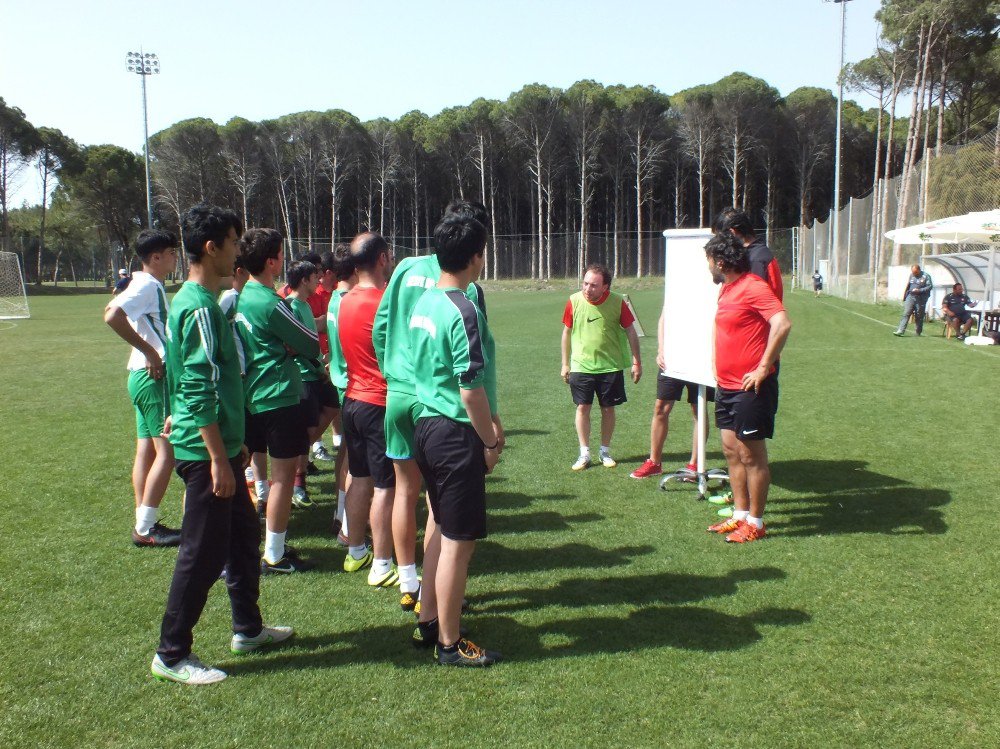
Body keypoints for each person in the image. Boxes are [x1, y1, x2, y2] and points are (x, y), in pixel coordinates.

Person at [151, 203, 292, 686]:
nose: (238, 253)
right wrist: (218, 459)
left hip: (223, 444)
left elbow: (182, 375)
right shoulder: (200, 307)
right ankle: (171, 655)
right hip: (206, 453)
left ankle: (247, 629)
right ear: (212, 248)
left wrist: (228, 444)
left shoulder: (197, 303)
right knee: (201, 553)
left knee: (242, 541)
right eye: (233, 243)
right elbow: (197, 385)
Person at [373, 199, 501, 616]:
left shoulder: (407, 269)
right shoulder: (463, 297)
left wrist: (393, 373)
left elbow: (381, 326)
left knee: (406, 491)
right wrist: (492, 433)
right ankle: (445, 619)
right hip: (447, 412)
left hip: (403, 394)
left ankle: (410, 583)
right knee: (449, 525)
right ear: (475, 249)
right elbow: (473, 376)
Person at [409, 212, 502, 666]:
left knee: (441, 529)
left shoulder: (423, 304)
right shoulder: (462, 308)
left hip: (424, 427)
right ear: (475, 257)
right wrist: (489, 440)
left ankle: (429, 621)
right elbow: (469, 389)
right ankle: (449, 643)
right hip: (452, 432)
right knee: (458, 545)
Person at [235, 228, 320, 574]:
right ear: (272, 261)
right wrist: (290, 345)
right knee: (283, 477)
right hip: (278, 396)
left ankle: (249, 544)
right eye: (282, 254)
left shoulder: (241, 296)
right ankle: (274, 554)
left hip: (251, 395)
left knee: (248, 468)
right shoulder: (271, 303)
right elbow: (311, 345)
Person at [704, 232, 791, 544]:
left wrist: (763, 367)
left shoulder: (754, 287)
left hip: (750, 388)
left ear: (721, 262)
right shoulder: (727, 289)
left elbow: (782, 324)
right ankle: (739, 516)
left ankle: (756, 521)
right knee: (731, 451)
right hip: (726, 386)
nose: (708, 267)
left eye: (709, 261)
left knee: (752, 456)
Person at [103, 230, 181, 547]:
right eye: (171, 252)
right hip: (153, 376)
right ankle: (146, 528)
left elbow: (111, 307)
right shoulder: (148, 284)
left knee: (146, 450)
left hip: (139, 376)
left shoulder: (144, 283)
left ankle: (143, 520)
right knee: (167, 452)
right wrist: (150, 351)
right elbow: (112, 315)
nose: (176, 258)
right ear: (156, 258)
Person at [338, 232, 398, 587]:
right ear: (383, 258)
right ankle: (382, 563)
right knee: (386, 486)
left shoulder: (344, 300)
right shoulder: (383, 303)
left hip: (353, 401)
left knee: (360, 478)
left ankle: (356, 550)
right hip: (378, 403)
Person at [561, 264, 642, 471]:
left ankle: (605, 451)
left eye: (594, 285)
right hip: (581, 365)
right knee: (582, 408)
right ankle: (584, 453)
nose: (587, 289)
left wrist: (636, 362)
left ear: (605, 286)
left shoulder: (618, 302)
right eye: (585, 283)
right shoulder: (573, 301)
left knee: (608, 408)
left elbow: (631, 331)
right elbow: (566, 333)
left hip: (610, 366)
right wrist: (565, 363)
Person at [630, 309, 713, 479]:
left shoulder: (711, 285)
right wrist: (661, 349)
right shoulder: (677, 286)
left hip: (702, 357)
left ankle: (696, 463)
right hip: (673, 357)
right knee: (661, 407)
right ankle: (654, 463)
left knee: (698, 408)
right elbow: (663, 319)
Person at [286, 260, 339, 506]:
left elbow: (314, 326)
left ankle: (299, 455)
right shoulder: (290, 306)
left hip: (317, 371)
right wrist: (318, 369)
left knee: (333, 406)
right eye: (314, 277)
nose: (318, 280)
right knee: (304, 431)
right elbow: (296, 346)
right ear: (304, 280)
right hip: (305, 375)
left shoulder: (304, 305)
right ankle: (298, 484)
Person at [324, 244, 356, 542]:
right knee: (353, 457)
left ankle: (340, 512)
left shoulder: (335, 298)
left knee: (345, 451)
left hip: (340, 381)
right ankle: (348, 520)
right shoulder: (349, 302)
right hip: (351, 384)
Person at [713, 209, 783, 300]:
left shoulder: (755, 260)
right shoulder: (754, 254)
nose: (718, 242)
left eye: (719, 237)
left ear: (732, 232)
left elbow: (756, 301)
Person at [893, 264, 933, 336]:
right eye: (913, 272)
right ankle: (900, 331)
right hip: (911, 296)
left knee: (919, 315)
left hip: (921, 298)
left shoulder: (926, 276)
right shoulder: (911, 275)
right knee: (906, 313)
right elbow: (908, 285)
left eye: (916, 272)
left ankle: (918, 332)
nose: (914, 274)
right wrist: (905, 296)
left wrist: (919, 290)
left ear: (919, 270)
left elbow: (930, 286)